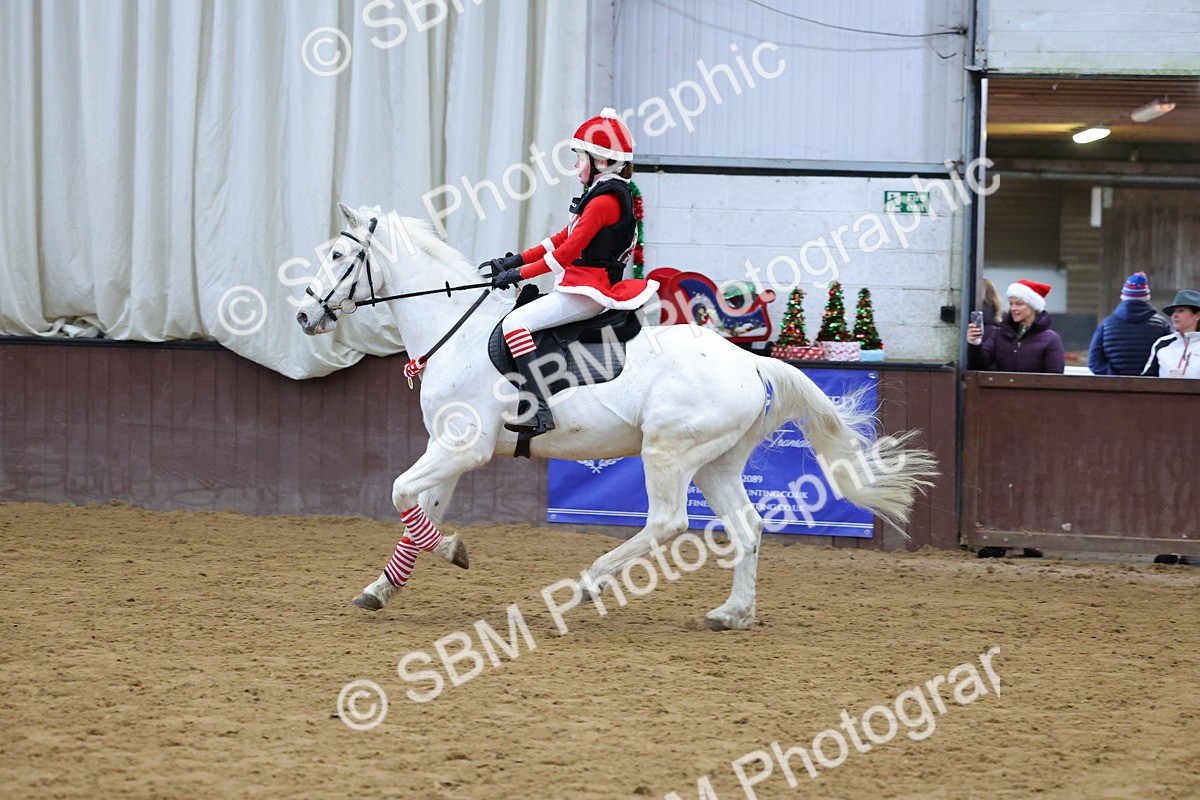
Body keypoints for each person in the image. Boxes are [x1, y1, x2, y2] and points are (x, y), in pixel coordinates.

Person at [482, 108, 659, 437]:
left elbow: (565, 255)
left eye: (581, 158)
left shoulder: (605, 202)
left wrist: (518, 276)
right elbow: (560, 239)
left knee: (515, 324)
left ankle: (536, 409)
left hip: (587, 293)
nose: (577, 165)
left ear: (602, 162)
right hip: (579, 288)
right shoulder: (600, 195)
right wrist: (514, 261)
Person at [967, 280, 1064, 373]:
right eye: (1011, 304)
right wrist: (975, 344)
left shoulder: (1051, 339)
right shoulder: (1000, 334)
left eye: (1019, 304)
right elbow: (979, 366)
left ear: (1033, 306)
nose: (1012, 309)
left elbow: (1055, 378)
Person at [1088, 271, 1171, 375]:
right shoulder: (1161, 324)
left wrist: (1115, 379)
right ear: (1146, 297)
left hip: (1115, 389)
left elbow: (1094, 362)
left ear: (1123, 296)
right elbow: (1170, 360)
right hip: (1151, 388)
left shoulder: (1106, 325)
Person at [1141, 289, 1200, 379]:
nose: (1174, 315)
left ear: (1197, 316)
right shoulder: (1162, 344)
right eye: (1173, 312)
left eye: (1181, 310)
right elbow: (1146, 380)